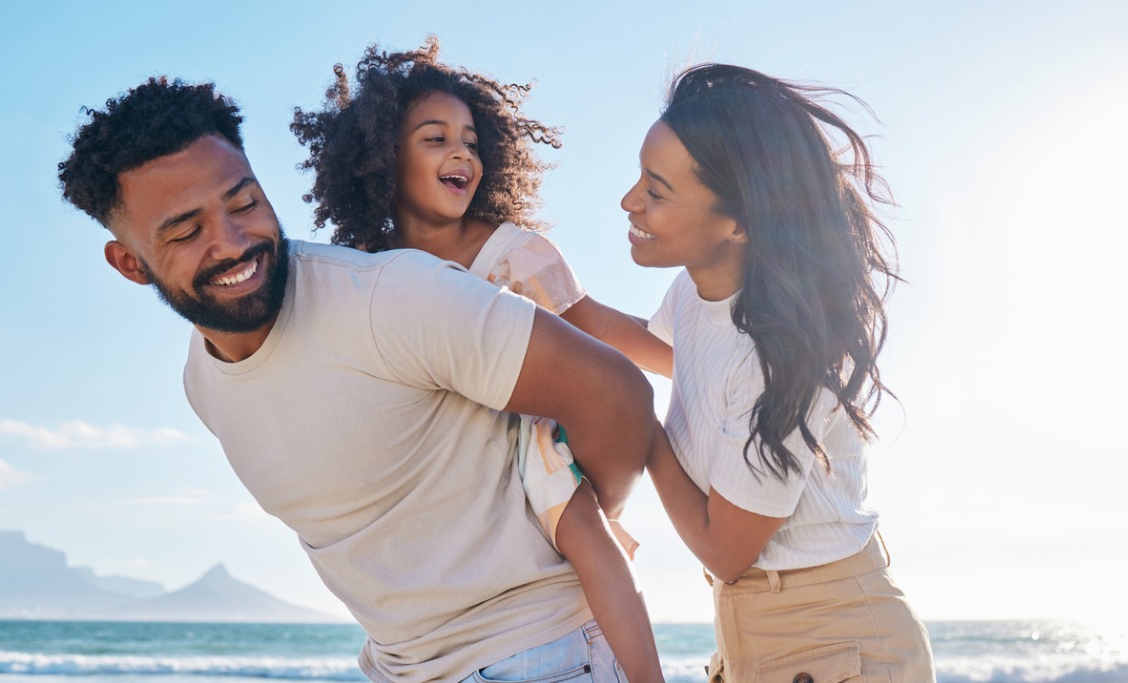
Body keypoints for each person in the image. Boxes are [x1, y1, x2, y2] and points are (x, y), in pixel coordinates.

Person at [58, 76, 656, 683]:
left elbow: (617, 394)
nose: (233, 243)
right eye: (186, 231)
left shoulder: (389, 297)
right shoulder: (202, 382)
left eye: (244, 204)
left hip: (535, 657)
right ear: (130, 262)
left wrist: (574, 518)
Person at [290, 39, 670, 683]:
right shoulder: (367, 269)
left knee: (585, 536)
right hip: (439, 459)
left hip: (527, 435)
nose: (460, 152)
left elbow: (593, 325)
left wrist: (691, 356)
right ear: (383, 158)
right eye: (434, 139)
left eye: (469, 140)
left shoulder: (512, 254)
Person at [623, 64, 935, 681]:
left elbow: (725, 549)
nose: (630, 200)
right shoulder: (698, 295)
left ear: (739, 222)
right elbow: (665, 355)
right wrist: (538, 287)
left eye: (656, 191)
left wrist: (636, 426)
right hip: (759, 635)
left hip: (833, 642)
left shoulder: (783, 358)